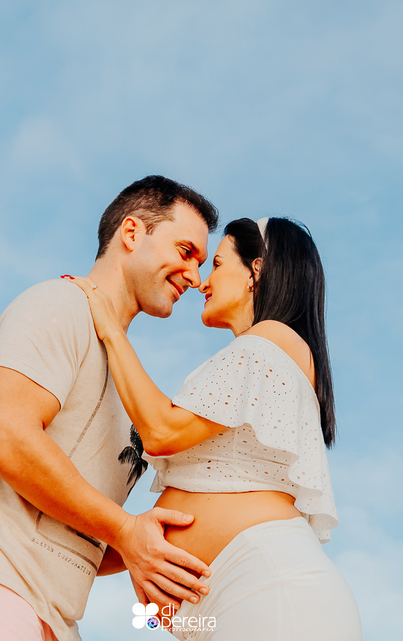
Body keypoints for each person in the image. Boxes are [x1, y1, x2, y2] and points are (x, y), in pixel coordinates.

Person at [0, 175, 222, 641]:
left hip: (48, 610)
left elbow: (90, 530)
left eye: (202, 262)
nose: (194, 275)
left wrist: (142, 544)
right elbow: (4, 437)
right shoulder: (60, 303)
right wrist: (126, 530)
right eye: (185, 251)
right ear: (131, 234)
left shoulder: (126, 385)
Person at [66, 216, 362, 640]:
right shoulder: (263, 362)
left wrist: (110, 327)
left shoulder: (271, 339)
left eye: (218, 264)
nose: (203, 282)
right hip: (233, 605)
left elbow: (161, 432)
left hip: (270, 594)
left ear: (255, 271)